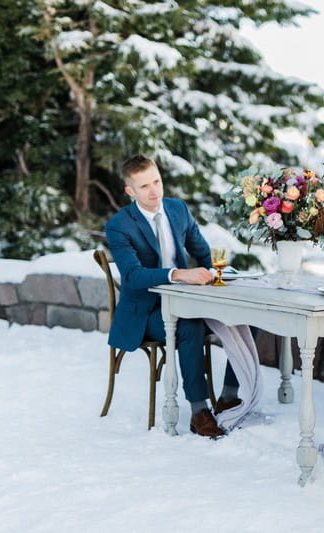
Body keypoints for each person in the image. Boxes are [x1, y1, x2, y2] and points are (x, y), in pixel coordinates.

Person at [104, 154, 241, 438]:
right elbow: (132, 275)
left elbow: (203, 253)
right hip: (145, 312)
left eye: (157, 181)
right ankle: (199, 411)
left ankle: (229, 396)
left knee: (245, 315)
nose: (154, 191)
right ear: (130, 191)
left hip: (186, 300)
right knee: (187, 325)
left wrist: (217, 273)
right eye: (144, 187)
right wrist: (178, 274)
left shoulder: (178, 210)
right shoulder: (119, 225)